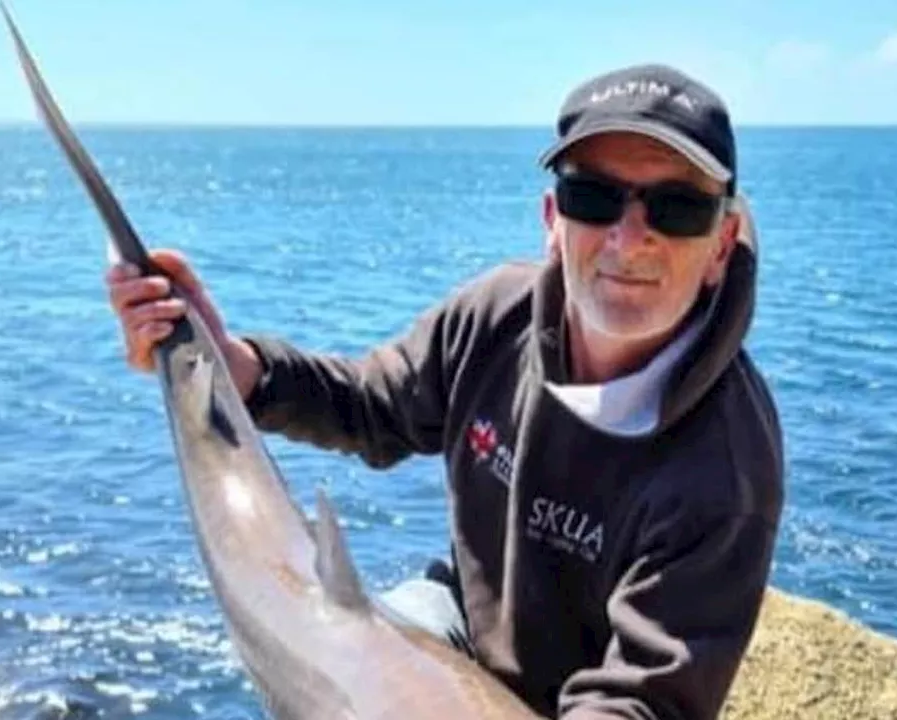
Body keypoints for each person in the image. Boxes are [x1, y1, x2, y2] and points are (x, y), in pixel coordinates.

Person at [106, 63, 785, 720]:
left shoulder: (727, 468)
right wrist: (229, 364)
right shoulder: (496, 315)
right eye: (595, 197)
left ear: (722, 243)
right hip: (458, 623)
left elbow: (643, 701)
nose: (630, 237)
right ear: (553, 219)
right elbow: (371, 404)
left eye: (676, 208)